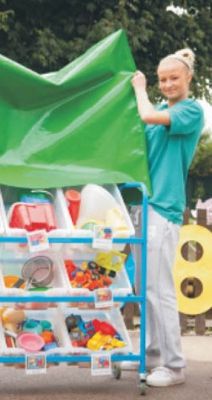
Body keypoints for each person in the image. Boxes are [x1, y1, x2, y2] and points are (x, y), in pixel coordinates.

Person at [121, 49, 203, 387]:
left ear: (188, 79)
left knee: (159, 289)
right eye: (162, 79)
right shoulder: (161, 113)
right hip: (144, 204)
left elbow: (147, 117)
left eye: (174, 78)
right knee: (146, 286)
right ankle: (152, 354)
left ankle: (174, 365)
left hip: (164, 207)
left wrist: (140, 89)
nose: (167, 84)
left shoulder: (190, 111)